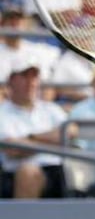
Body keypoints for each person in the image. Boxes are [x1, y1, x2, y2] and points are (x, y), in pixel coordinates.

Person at [0, 54, 77, 198]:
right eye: (24, 76)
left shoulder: (50, 108)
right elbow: (12, 149)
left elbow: (71, 131)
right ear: (11, 81)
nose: (30, 82)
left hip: (58, 172)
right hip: (14, 175)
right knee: (28, 172)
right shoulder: (2, 112)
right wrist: (54, 142)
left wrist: (31, 138)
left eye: (34, 76)